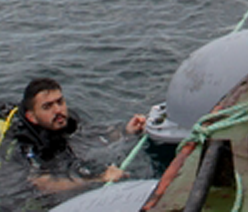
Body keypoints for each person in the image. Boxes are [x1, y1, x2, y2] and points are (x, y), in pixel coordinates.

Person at [12, 77, 147, 196]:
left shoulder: (67, 121)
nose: (58, 110)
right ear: (32, 117)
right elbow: (41, 183)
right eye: (47, 107)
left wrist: (127, 131)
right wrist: (99, 178)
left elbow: (91, 134)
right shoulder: (26, 143)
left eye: (60, 102)